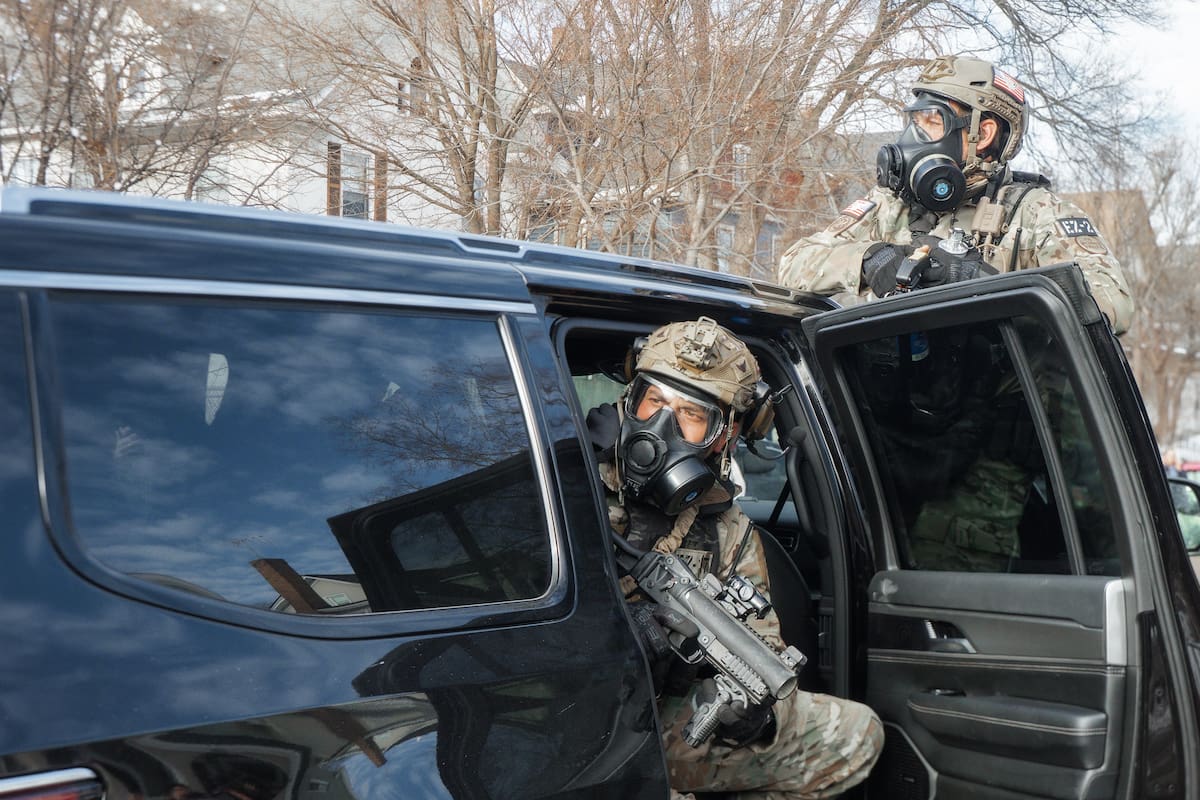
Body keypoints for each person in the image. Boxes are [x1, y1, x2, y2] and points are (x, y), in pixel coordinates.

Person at [588, 316, 882, 799]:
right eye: (653, 401)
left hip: (656, 714)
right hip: (564, 711)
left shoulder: (727, 528)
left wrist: (750, 718)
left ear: (724, 436)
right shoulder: (561, 482)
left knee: (853, 732)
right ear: (629, 400)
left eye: (691, 415)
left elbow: (756, 645)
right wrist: (620, 631)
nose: (662, 426)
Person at [777, 54, 1133, 335]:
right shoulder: (892, 204)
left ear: (985, 132)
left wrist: (980, 282)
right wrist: (869, 258)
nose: (915, 136)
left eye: (933, 121)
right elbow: (793, 267)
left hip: (1000, 411)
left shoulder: (1037, 214)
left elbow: (1111, 307)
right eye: (915, 122)